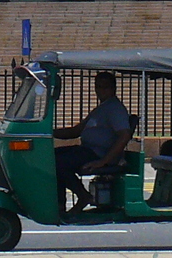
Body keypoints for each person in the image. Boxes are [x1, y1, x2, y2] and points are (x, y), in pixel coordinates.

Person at [53, 70, 135, 212]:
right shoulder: (101, 108)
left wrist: (102, 161)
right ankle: (59, 204)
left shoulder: (115, 109)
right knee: (50, 157)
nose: (101, 90)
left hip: (99, 154)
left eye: (105, 87)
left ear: (113, 88)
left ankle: (83, 196)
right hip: (87, 150)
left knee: (58, 163)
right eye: (98, 86)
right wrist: (48, 133)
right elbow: (76, 131)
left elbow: (124, 135)